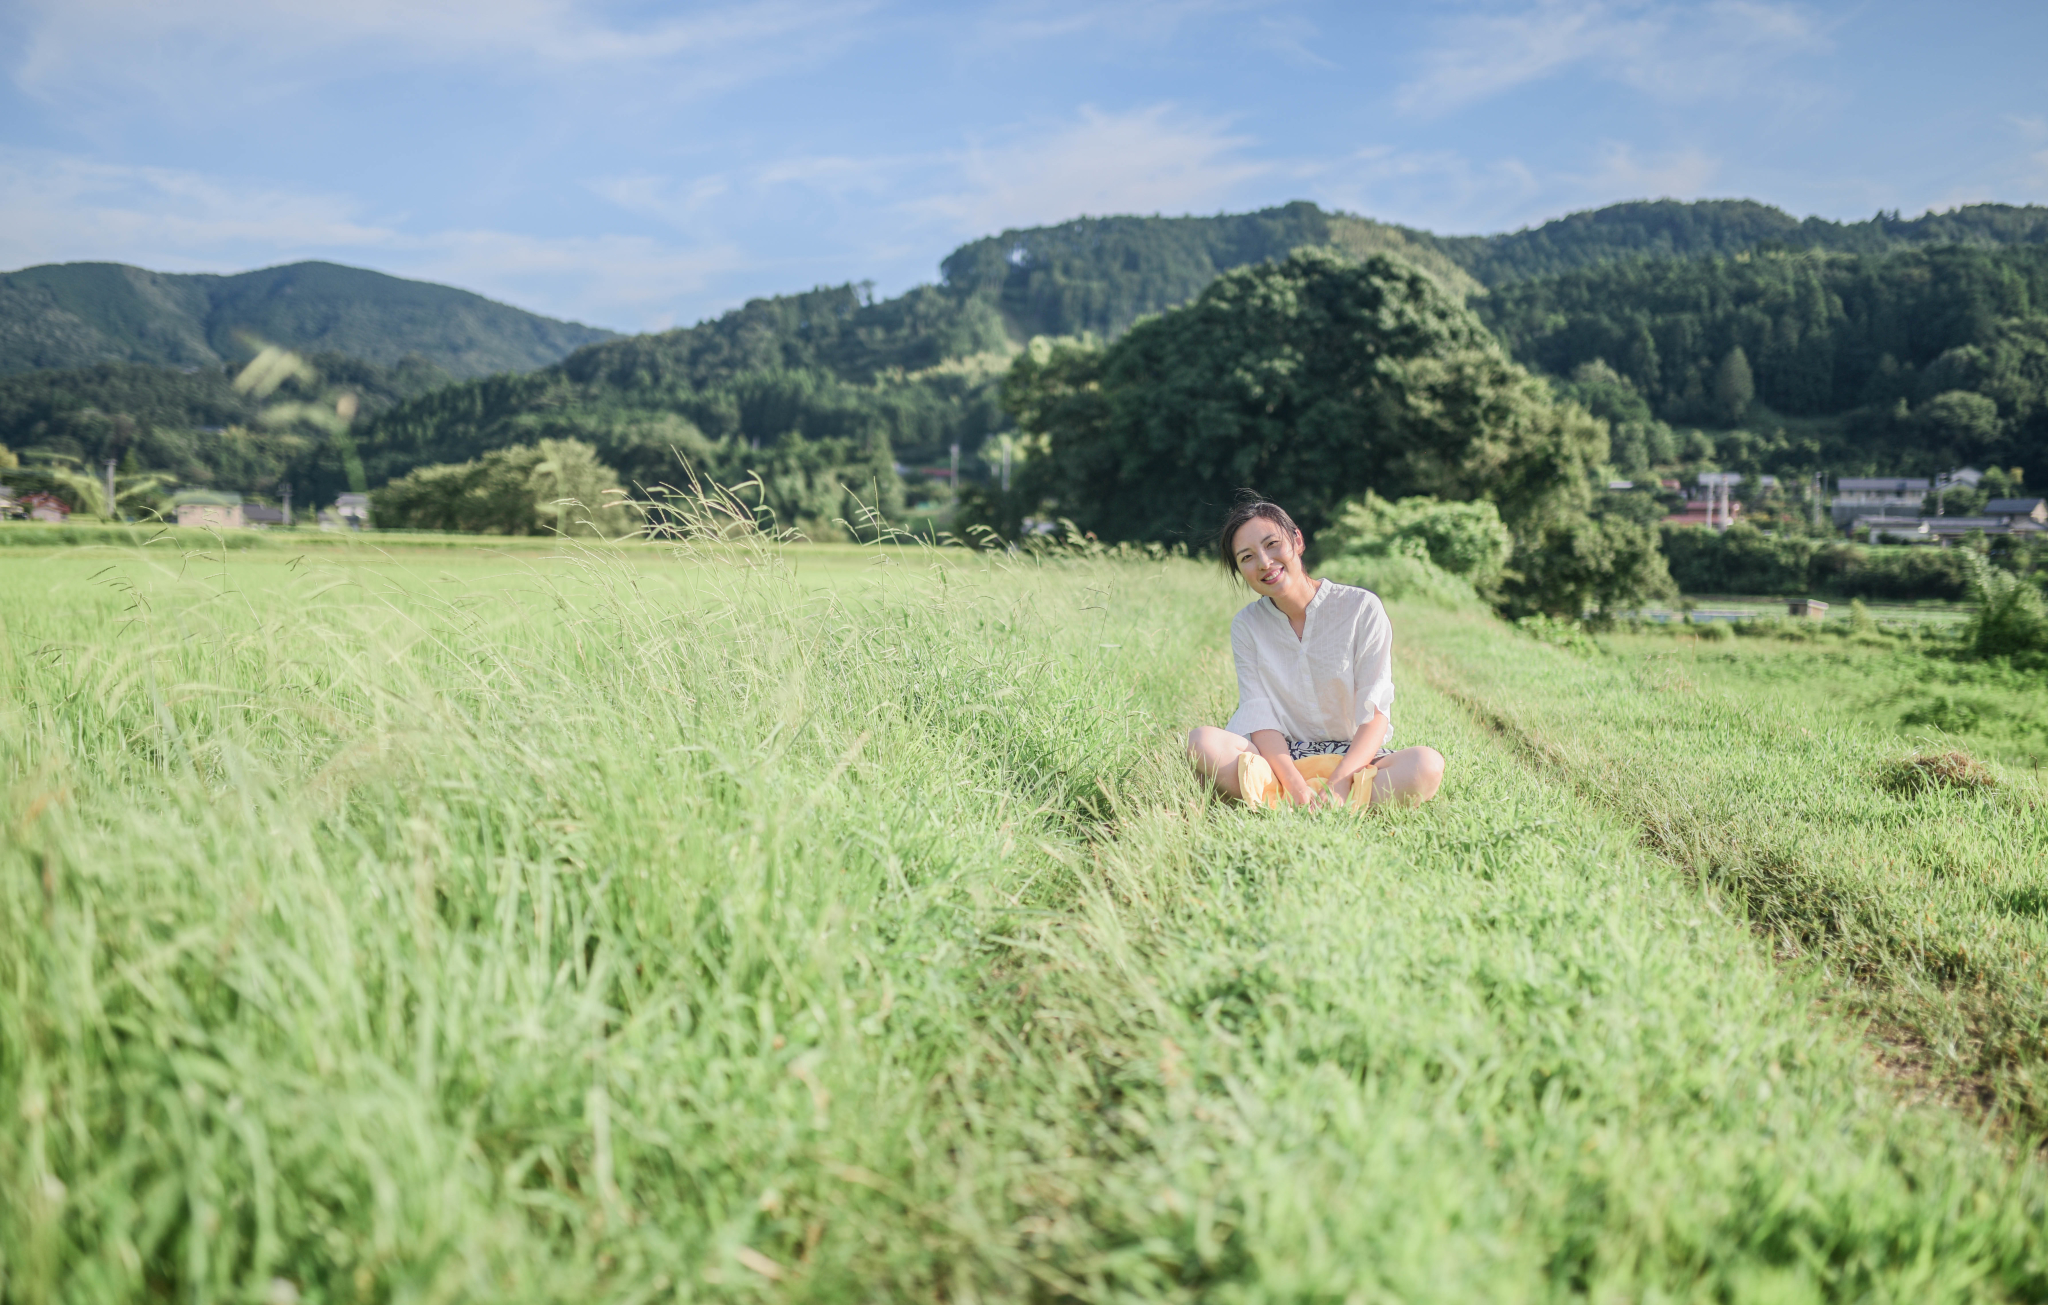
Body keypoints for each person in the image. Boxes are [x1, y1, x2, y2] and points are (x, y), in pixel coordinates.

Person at [1187, 495, 1446, 808]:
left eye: (1272, 544)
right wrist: (1295, 784)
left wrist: (1339, 782)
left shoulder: (1361, 608)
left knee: (1426, 765)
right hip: (1280, 758)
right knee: (1201, 742)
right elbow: (1260, 718)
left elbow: (1375, 715)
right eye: (1247, 557)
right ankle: (1311, 801)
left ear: (1297, 540)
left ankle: (1305, 800)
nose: (1265, 563)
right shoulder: (1247, 626)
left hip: (1354, 759)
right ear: (1240, 571)